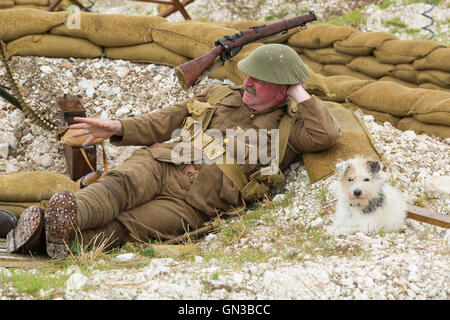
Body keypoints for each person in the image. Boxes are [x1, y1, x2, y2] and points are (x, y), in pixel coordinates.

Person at [5, 44, 341, 258]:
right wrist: (120, 127)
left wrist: (298, 90)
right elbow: (168, 119)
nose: (248, 81)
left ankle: (44, 239)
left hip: (198, 201)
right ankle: (65, 215)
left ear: (283, 90)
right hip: (163, 161)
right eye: (248, 74)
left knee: (127, 227)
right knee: (118, 186)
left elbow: (325, 134)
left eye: (260, 79)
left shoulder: (292, 127)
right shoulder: (221, 94)